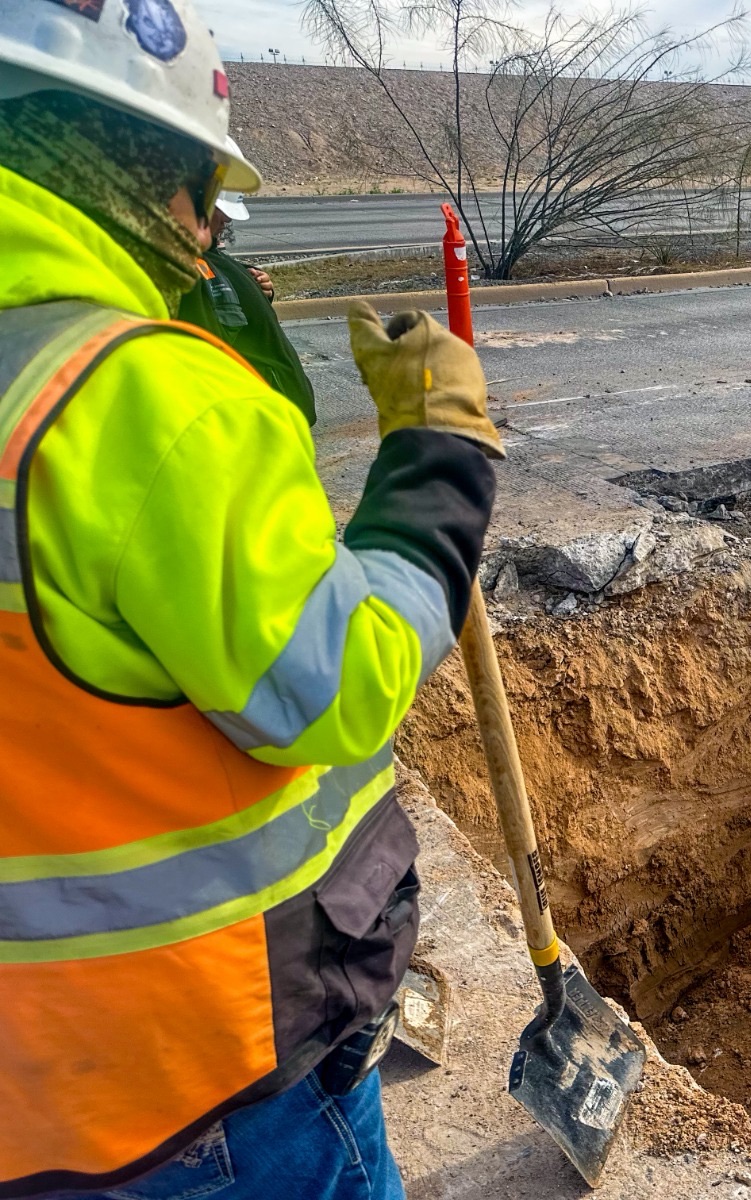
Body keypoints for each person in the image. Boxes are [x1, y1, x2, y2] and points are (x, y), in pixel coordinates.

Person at [0, 2, 501, 1196]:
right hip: (198, 1084)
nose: (208, 230)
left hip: (39, 1095)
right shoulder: (136, 396)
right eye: (200, 194)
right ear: (127, 155)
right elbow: (342, 678)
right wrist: (441, 451)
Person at [178, 187, 317, 425]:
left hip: (278, 411)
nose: (228, 219)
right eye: (221, 211)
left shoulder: (213, 258)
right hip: (264, 419)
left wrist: (258, 288)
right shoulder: (190, 270)